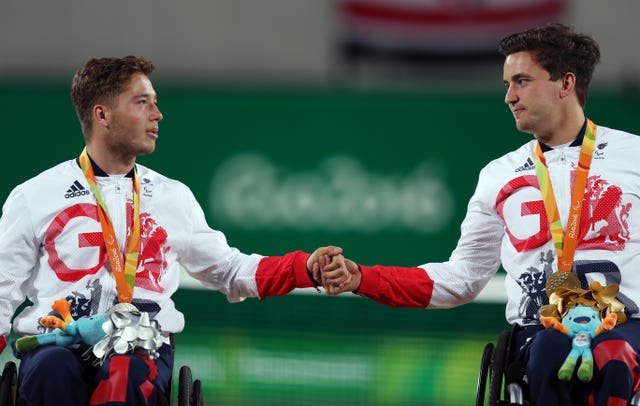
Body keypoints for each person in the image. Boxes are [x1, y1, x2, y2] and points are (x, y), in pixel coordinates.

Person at [318, 23, 640, 405]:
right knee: (550, 351)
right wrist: (363, 278)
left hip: (627, 335)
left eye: (521, 81)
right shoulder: (498, 174)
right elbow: (461, 278)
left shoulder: (633, 155)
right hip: (539, 341)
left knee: (614, 356)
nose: (509, 96)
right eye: (507, 84)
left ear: (565, 84)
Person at [0, 55, 347, 406]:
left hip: (141, 348)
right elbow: (2, 288)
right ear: (101, 114)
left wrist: (304, 268)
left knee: (126, 372)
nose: (157, 114)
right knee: (52, 371)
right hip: (54, 344)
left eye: (156, 102)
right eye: (142, 102)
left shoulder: (172, 197)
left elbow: (229, 270)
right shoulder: (34, 197)